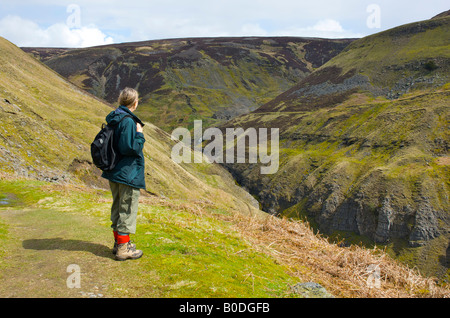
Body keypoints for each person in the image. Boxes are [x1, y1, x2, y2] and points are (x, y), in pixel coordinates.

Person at [101, 87, 146, 261]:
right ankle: (123, 248)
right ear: (135, 102)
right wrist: (140, 136)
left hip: (114, 171)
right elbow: (130, 148)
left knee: (118, 206)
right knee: (127, 208)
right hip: (127, 172)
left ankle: (119, 242)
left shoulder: (116, 117)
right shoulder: (128, 121)